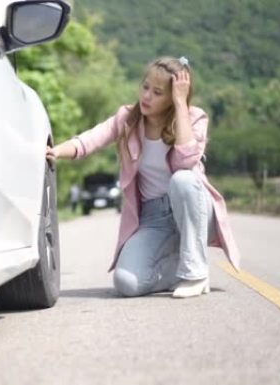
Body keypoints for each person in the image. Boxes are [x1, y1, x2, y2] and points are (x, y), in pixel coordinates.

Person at [46, 56, 240, 298]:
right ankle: (179, 266)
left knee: (182, 179)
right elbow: (91, 139)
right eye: (145, 86)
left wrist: (181, 106)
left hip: (194, 210)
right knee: (126, 283)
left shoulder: (195, 118)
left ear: (173, 96)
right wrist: (56, 151)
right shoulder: (128, 119)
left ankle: (196, 273)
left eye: (158, 92)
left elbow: (186, 161)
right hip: (153, 218)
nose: (147, 96)